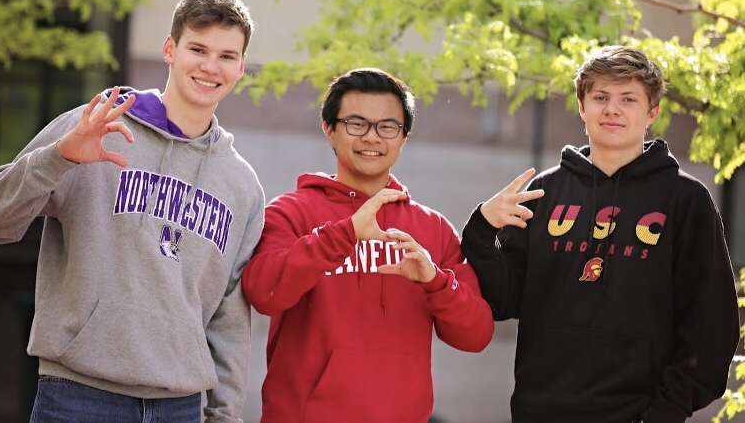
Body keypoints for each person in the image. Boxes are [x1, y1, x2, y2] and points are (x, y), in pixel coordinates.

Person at [0, 0, 265, 423]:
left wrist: (225, 415)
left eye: (227, 56)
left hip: (180, 405)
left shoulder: (241, 185)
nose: (211, 67)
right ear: (169, 49)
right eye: (198, 48)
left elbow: (229, 316)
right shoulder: (96, 125)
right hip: (78, 394)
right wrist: (59, 157)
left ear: (241, 68)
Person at [461, 46, 740, 423]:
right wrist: (481, 229)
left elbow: (711, 325)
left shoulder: (686, 200)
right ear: (582, 106)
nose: (612, 109)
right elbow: (503, 299)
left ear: (652, 112)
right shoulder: (543, 193)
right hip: (540, 411)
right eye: (600, 97)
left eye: (628, 99)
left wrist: (666, 412)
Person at [241, 68, 494, 423]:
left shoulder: (432, 229)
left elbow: (477, 334)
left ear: (403, 137)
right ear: (329, 129)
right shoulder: (290, 213)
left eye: (387, 127)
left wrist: (434, 281)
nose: (372, 138)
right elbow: (264, 292)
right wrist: (343, 234)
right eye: (356, 124)